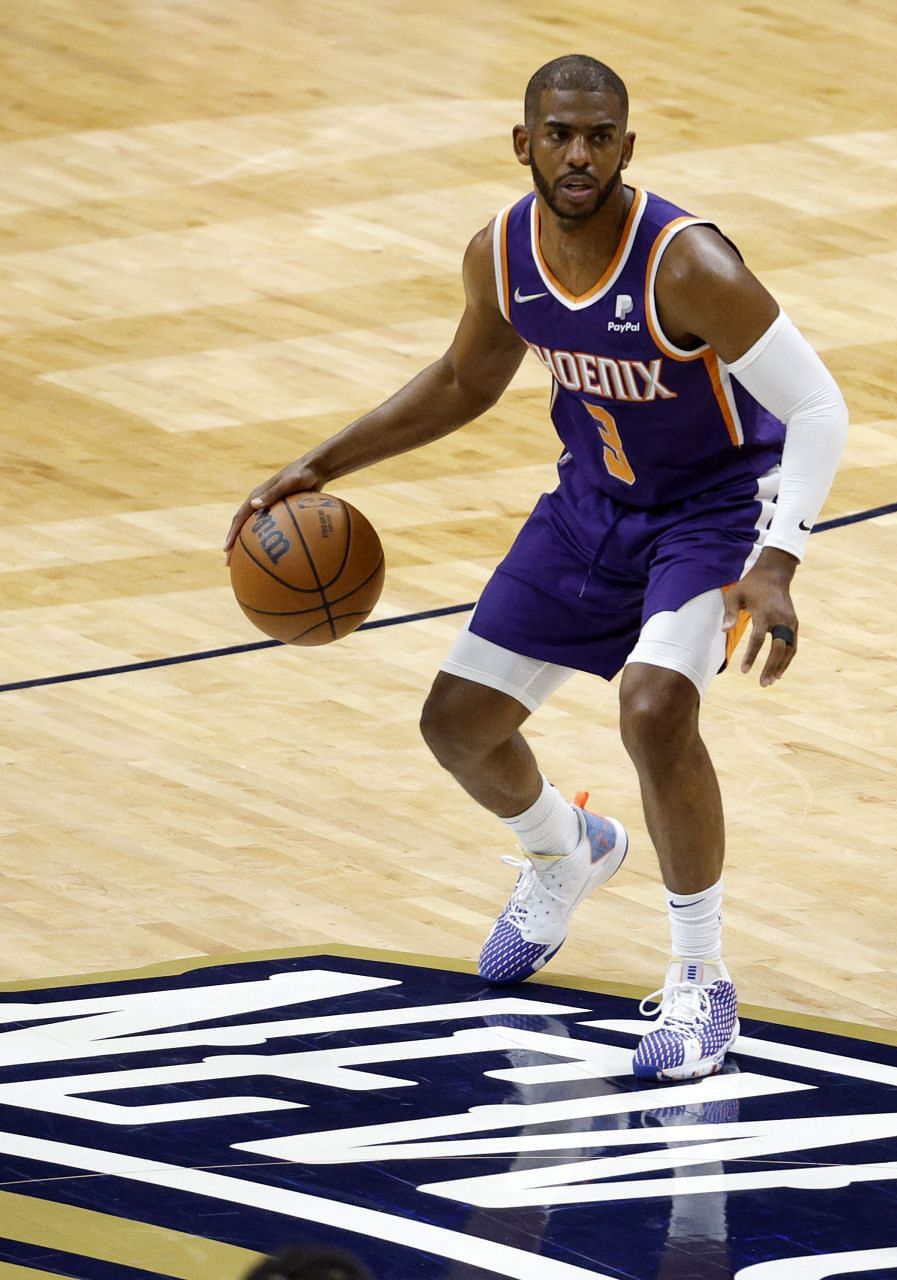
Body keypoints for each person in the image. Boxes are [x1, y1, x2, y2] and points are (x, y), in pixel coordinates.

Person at [226, 55, 848, 1083]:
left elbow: (819, 406)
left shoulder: (686, 264)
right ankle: (567, 848)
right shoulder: (503, 254)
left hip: (708, 512)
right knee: (455, 721)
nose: (578, 153)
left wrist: (779, 561)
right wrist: (323, 462)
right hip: (589, 505)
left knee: (654, 708)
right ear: (524, 143)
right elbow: (466, 378)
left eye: (600, 137)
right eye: (558, 133)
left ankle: (703, 978)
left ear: (627, 149)